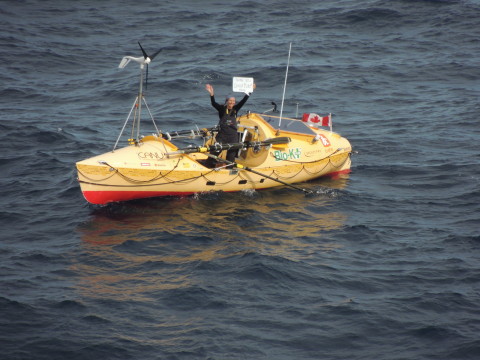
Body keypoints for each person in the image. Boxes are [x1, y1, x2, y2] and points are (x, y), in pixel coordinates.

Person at [205, 82, 256, 167]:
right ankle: (209, 166)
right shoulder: (221, 109)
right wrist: (211, 94)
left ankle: (229, 169)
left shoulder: (236, 109)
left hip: (233, 136)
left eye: (233, 101)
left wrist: (250, 90)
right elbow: (213, 103)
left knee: (231, 157)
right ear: (227, 101)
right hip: (222, 136)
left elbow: (244, 100)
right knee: (215, 152)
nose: (232, 102)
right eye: (230, 101)